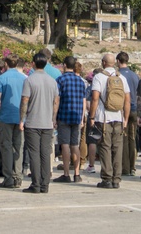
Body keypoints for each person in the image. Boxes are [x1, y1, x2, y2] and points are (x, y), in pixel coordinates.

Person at [20, 51, 59, 194]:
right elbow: (56, 101)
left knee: (34, 153)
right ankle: (45, 184)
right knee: (45, 153)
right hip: (47, 122)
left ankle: (35, 184)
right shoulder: (52, 81)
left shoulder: (29, 80)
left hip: (33, 122)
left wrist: (21, 119)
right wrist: (53, 118)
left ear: (33, 64)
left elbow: (25, 101)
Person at [89, 52, 130, 190]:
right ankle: (116, 179)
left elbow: (95, 98)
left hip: (103, 117)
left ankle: (107, 178)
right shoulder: (122, 78)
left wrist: (92, 117)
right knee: (117, 148)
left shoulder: (99, 77)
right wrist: (125, 119)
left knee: (105, 147)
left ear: (103, 63)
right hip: (118, 117)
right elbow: (127, 100)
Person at [0, 55, 26, 189]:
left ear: (6, 64)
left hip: (6, 116)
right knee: (18, 147)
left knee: (6, 147)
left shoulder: (2, 78)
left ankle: (8, 178)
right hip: (20, 116)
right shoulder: (24, 78)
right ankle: (17, 176)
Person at [56, 55, 88, 183]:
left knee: (64, 144)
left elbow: (57, 99)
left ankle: (66, 173)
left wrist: (54, 116)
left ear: (64, 65)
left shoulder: (60, 80)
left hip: (64, 115)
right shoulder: (80, 81)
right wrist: (82, 118)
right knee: (75, 145)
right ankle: (77, 173)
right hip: (76, 116)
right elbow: (84, 101)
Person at [116, 51, 139, 178]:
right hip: (134, 109)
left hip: (122, 109)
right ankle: (133, 166)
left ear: (118, 61)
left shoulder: (118, 75)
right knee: (132, 139)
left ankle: (125, 167)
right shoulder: (134, 76)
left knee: (123, 139)